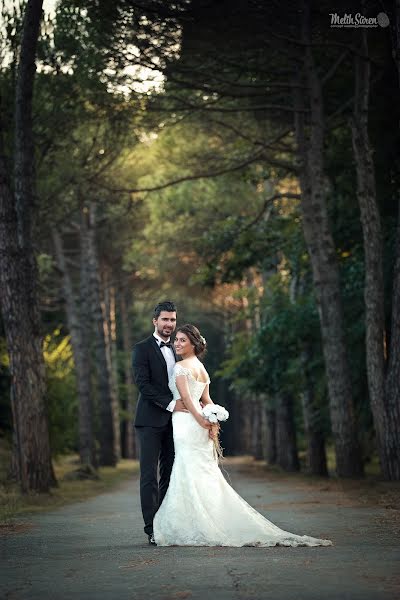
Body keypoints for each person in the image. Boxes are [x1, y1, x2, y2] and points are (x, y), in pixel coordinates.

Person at [153, 324, 333, 548]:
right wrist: (212, 419)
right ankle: (207, 516)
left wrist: (203, 421)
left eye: (182, 341)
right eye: (177, 340)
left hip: (188, 423)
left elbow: (189, 400)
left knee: (188, 468)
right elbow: (207, 400)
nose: (177, 344)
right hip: (198, 424)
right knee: (202, 470)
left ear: (193, 344)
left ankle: (194, 522)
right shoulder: (201, 367)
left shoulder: (181, 367)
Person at [132, 301, 192, 546]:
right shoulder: (141, 349)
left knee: (170, 473)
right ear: (155, 321)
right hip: (149, 420)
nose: (169, 324)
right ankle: (151, 529)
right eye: (165, 319)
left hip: (177, 421)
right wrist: (171, 404)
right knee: (149, 475)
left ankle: (165, 523)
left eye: (173, 320)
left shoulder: (180, 348)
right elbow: (143, 385)